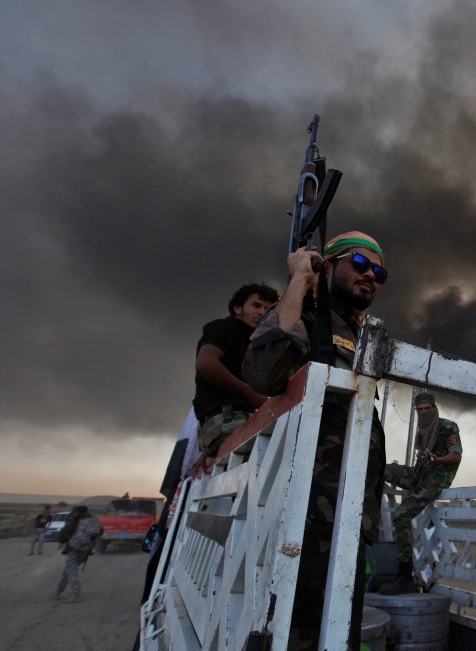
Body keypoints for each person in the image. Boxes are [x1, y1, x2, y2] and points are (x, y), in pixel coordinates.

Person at [244, 231, 389, 648]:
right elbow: (265, 373)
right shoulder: (306, 317)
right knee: (298, 634)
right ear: (328, 266)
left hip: (349, 516)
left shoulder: (362, 335)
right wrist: (300, 279)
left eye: (379, 272)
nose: (371, 276)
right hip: (303, 515)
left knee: (339, 632)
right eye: (359, 265)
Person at [379, 392, 462, 595]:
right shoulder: (423, 430)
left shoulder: (447, 426)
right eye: (420, 410)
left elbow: (456, 456)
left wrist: (437, 460)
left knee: (400, 515)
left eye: (427, 409)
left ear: (434, 408)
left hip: (436, 480)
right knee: (381, 467)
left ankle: (405, 573)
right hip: (420, 474)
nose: (424, 413)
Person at [193, 282, 278, 459]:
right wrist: (250, 394)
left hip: (235, 420)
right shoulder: (224, 327)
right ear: (238, 308)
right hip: (226, 418)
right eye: (256, 305)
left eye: (267, 308)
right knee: (278, 452)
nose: (261, 312)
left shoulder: (251, 343)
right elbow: (205, 364)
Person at [55, 505, 103, 602]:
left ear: (77, 512)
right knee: (68, 571)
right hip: (85, 550)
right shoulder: (93, 521)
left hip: (73, 548)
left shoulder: (76, 521)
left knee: (71, 571)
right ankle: (58, 592)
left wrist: (64, 539)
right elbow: (100, 532)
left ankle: (76, 595)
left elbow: (62, 536)